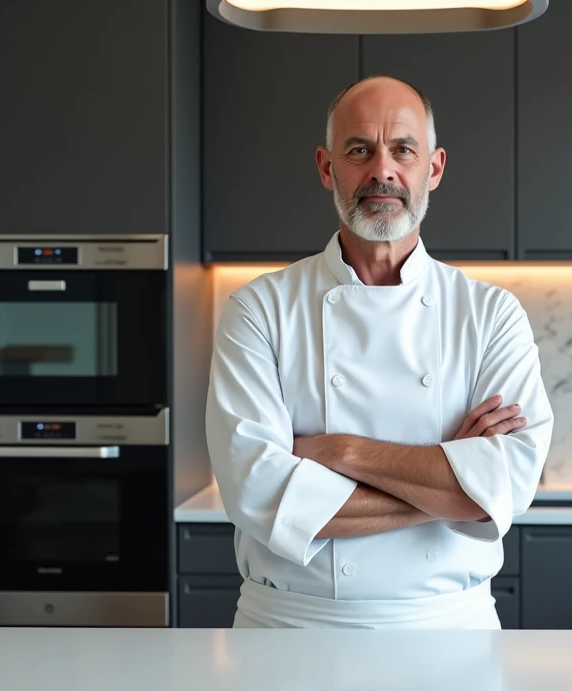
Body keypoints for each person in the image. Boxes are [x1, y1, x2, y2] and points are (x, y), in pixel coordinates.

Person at [205, 75, 554, 629]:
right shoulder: (259, 309)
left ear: (433, 168)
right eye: (359, 150)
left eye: (403, 150)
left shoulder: (490, 314)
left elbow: (508, 486)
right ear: (326, 168)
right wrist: (457, 487)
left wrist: (341, 451)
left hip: (449, 635)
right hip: (293, 635)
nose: (382, 171)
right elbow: (259, 495)